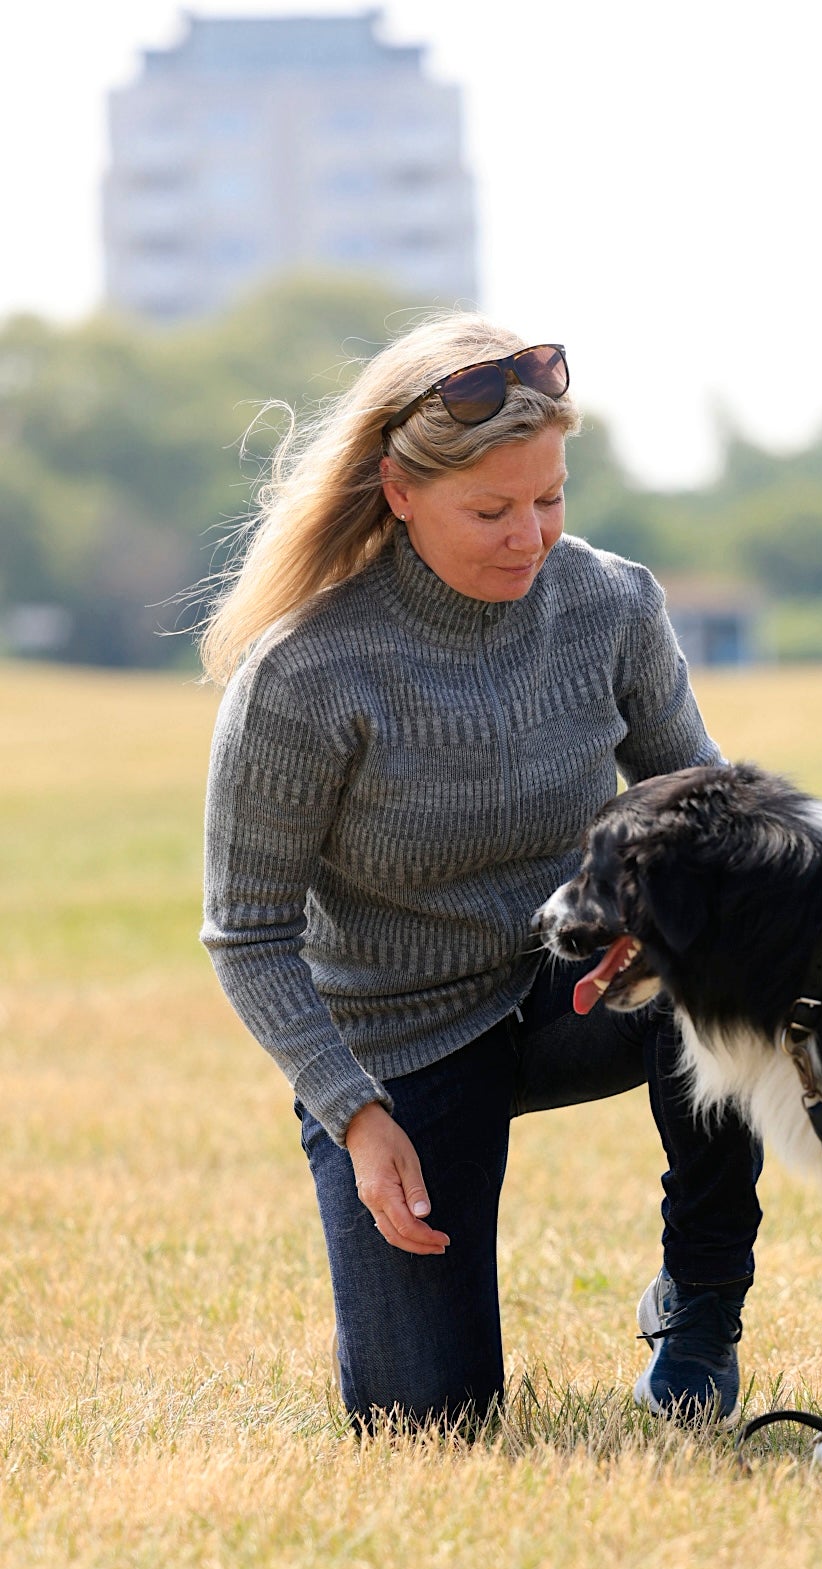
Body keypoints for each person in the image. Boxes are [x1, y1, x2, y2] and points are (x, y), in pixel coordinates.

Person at [199, 315, 761, 1430]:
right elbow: (249, 934)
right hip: (397, 1042)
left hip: (574, 985)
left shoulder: (612, 604)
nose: (530, 536)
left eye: (549, 498)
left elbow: (702, 811)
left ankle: (700, 1303)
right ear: (398, 493)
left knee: (727, 956)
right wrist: (354, 1113)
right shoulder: (306, 673)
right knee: (431, 1421)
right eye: (491, 511)